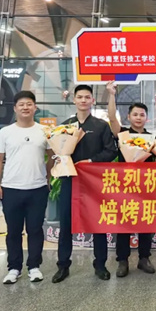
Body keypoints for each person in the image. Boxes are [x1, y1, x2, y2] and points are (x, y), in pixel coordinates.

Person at [52, 84, 118, 283]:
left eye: (87, 97)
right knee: (66, 223)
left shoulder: (101, 126)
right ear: (74, 100)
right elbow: (58, 150)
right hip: (69, 181)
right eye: (79, 97)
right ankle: (63, 265)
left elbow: (111, 151)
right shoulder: (65, 126)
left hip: (94, 182)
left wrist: (91, 161)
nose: (83, 100)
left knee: (98, 222)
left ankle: (100, 265)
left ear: (92, 100)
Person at [0, 91, 53, 284]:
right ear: (15, 108)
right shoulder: (6, 132)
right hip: (11, 188)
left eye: (29, 104)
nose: (25, 107)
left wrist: (48, 177)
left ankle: (34, 267)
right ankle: (14, 268)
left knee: (35, 230)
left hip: (37, 188)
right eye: (21, 104)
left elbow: (52, 156)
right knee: (13, 231)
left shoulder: (44, 131)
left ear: (35, 107)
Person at [106, 81, 156, 278]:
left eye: (142, 115)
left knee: (146, 224)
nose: (138, 118)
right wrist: (111, 94)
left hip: (146, 187)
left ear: (146, 118)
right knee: (124, 224)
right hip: (125, 186)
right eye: (135, 114)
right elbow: (111, 118)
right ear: (129, 117)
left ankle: (144, 258)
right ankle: (123, 261)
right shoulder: (123, 135)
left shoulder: (152, 138)